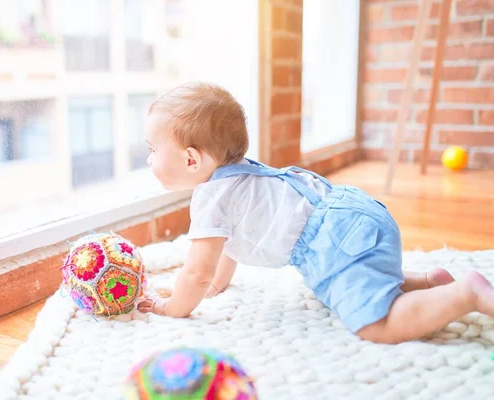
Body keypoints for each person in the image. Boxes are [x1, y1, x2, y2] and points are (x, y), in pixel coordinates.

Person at [137, 82, 494, 344]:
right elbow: (222, 256)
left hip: (337, 241)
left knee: (375, 324)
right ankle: (425, 282)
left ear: (190, 159)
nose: (150, 159)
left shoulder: (210, 198)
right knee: (349, 284)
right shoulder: (239, 174)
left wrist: (175, 308)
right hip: (354, 213)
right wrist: (216, 286)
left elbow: (197, 270)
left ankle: (466, 294)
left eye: (153, 149)